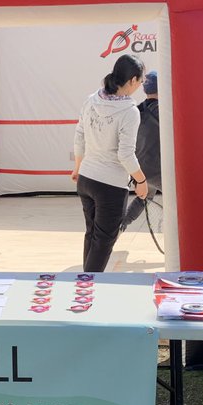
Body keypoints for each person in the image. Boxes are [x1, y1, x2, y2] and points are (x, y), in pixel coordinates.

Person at [71, 55, 148, 272]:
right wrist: (141, 181)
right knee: (103, 243)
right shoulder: (129, 112)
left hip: (86, 179)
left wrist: (77, 166)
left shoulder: (91, 99)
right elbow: (125, 154)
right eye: (140, 81)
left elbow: (79, 135)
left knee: (92, 235)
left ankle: (84, 285)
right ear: (132, 80)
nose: (140, 86)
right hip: (110, 185)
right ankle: (87, 290)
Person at [120, 70, 162, 231]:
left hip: (140, 170)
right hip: (158, 171)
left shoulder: (137, 110)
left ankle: (120, 226)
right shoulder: (165, 113)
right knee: (180, 200)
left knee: (143, 197)